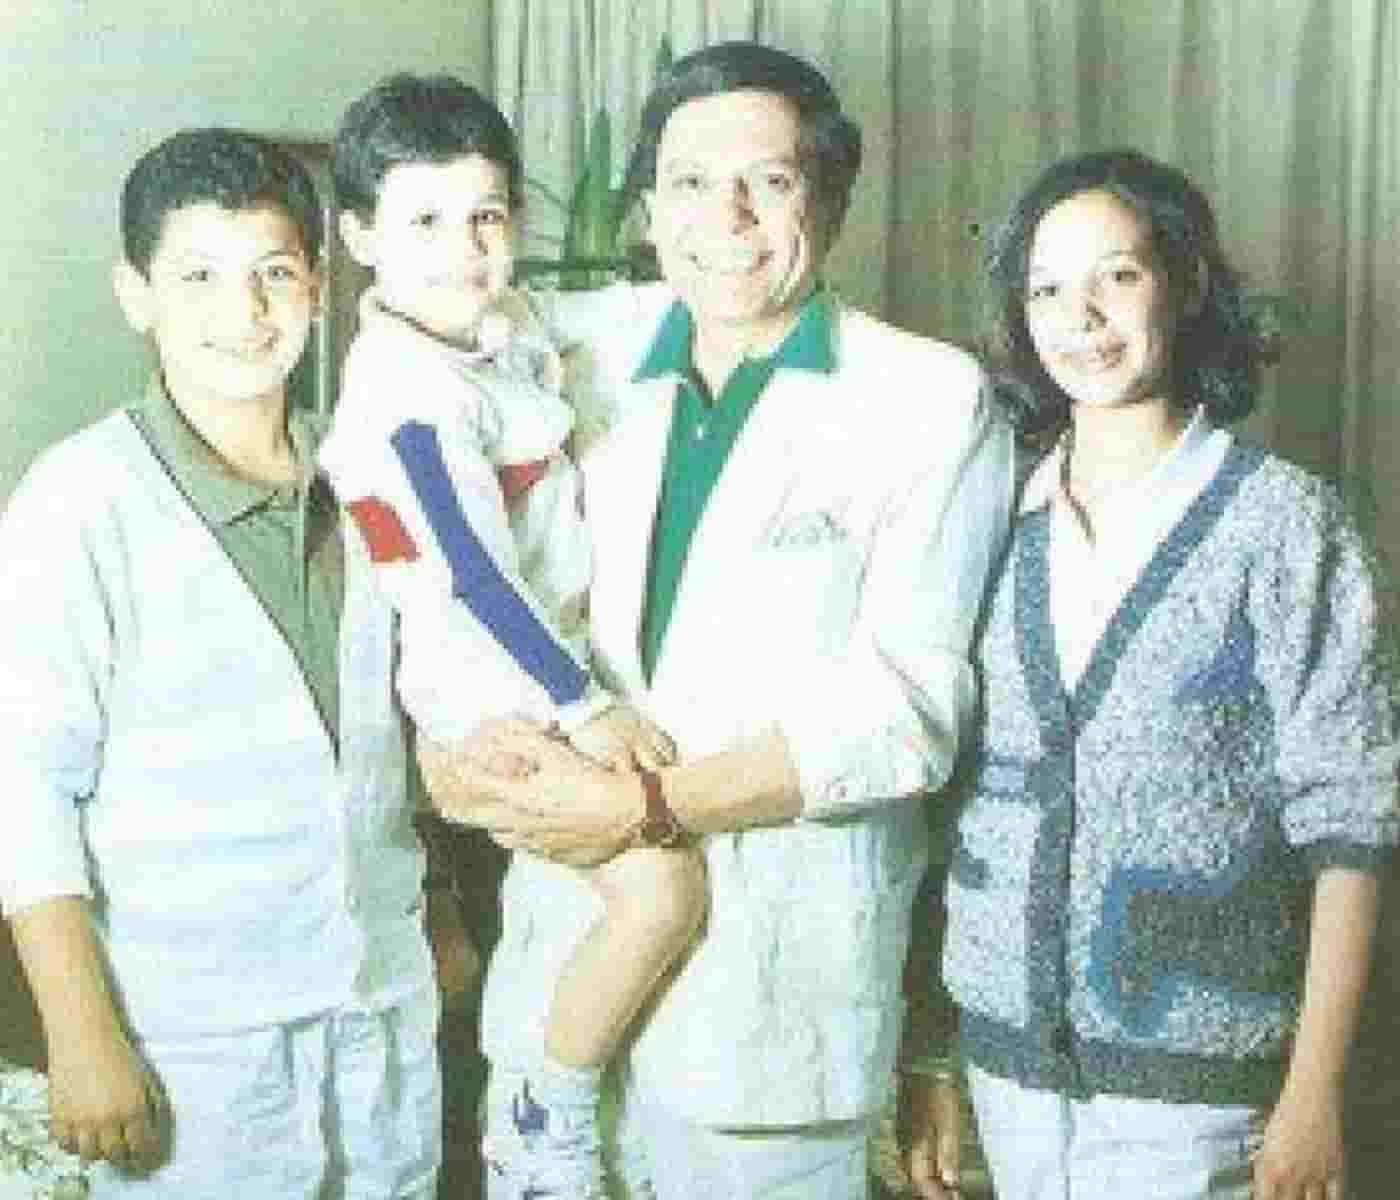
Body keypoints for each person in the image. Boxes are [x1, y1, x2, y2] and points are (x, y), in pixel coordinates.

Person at [421, 41, 1015, 1200]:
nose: (725, 217)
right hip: (562, 971)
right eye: (689, 182)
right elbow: (449, 549)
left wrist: (643, 806)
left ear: (828, 201)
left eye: (769, 181)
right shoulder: (565, 354)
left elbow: (908, 714)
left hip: (773, 1006)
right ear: (646, 208)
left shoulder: (925, 399)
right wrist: (454, 755)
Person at [899, 148, 1399, 1200]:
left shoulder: (1284, 524)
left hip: (1201, 1100)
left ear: (1184, 283)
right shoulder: (994, 518)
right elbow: (951, 811)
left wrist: (1313, 1092)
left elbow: (1353, 828)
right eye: (1045, 289)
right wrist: (934, 1057)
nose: (1079, 318)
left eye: (1116, 276)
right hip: (1006, 1079)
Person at [0, 129, 442, 1199]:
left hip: (379, 1011)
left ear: (318, 286)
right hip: (191, 1037)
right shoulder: (79, 503)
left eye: (274, 273)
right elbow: (25, 790)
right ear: (136, 294)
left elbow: (407, 723)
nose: (243, 314)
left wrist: (448, 916)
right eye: (198, 276)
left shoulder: (368, 476)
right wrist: (81, 1035)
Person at [323, 73, 706, 1200]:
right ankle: (544, 1121)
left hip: (545, 665)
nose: (465, 249)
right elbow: (475, 581)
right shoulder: (405, 397)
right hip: (492, 691)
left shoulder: (499, 328)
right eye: (425, 222)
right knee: (662, 893)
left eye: (486, 215)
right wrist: (588, 708)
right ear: (360, 238)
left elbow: (611, 316)